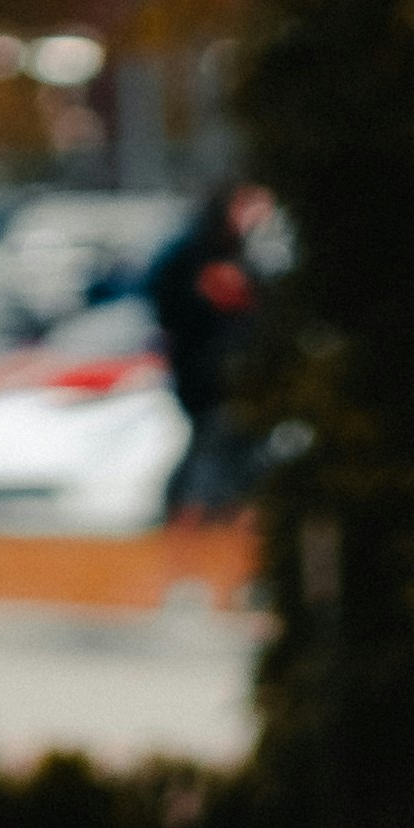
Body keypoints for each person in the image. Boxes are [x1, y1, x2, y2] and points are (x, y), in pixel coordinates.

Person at [148, 185, 266, 581]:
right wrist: (205, 296)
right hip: (209, 385)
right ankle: (185, 573)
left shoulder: (246, 254)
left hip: (245, 383)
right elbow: (164, 302)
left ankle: (244, 574)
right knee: (207, 476)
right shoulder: (191, 254)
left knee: (245, 480)